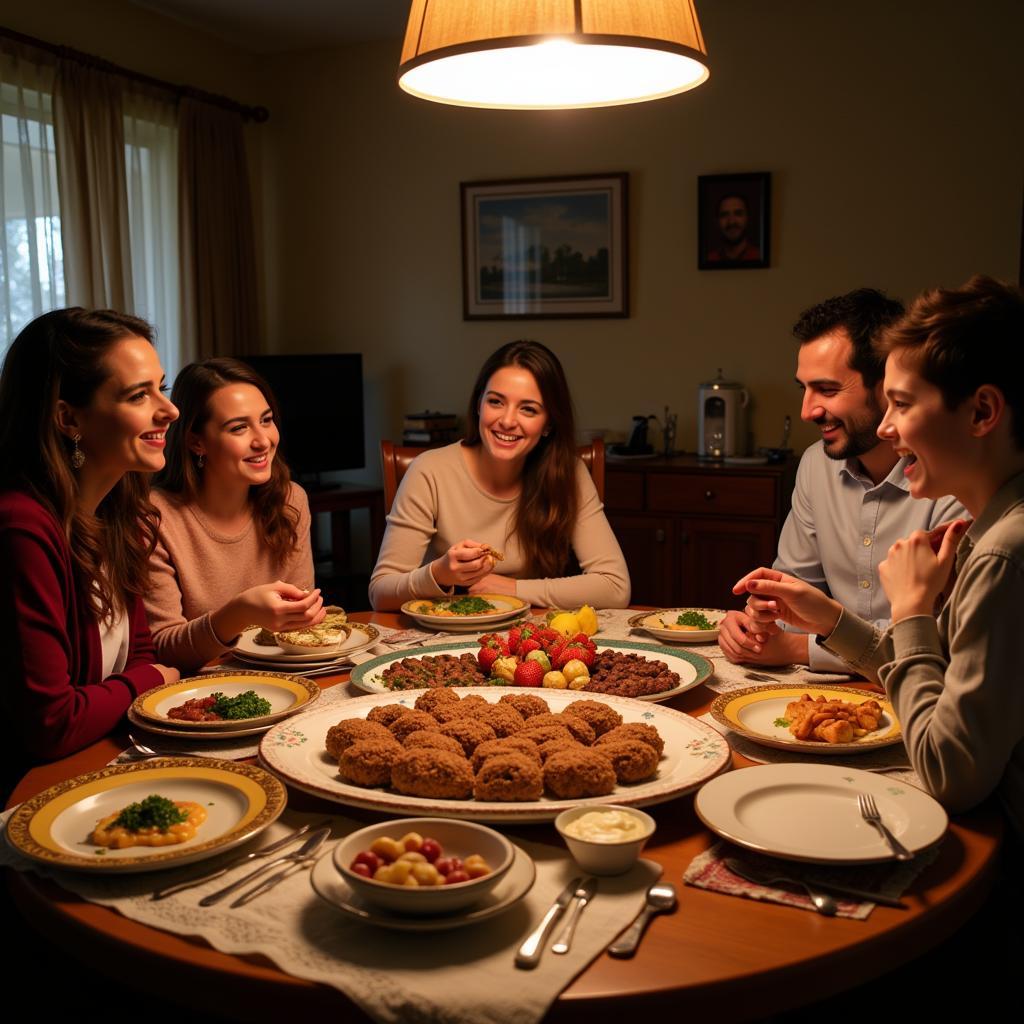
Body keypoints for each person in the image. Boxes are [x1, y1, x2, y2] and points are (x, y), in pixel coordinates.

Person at [735, 275, 1024, 833]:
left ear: (982, 412)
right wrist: (835, 622)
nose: (889, 428)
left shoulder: (1001, 555)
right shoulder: (997, 525)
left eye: (903, 404)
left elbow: (951, 777)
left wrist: (911, 608)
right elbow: (938, 680)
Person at [719, 288, 965, 669]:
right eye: (804, 388)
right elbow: (793, 595)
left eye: (827, 389)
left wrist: (797, 649)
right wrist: (760, 624)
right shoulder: (816, 464)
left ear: (887, 384)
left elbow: (938, 640)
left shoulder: (950, 476)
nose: (806, 411)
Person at [0, 308, 180, 785]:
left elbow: (140, 652)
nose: (170, 410)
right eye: (138, 395)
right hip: (31, 788)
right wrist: (150, 682)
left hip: (101, 758)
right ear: (68, 418)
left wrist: (147, 678)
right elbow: (51, 724)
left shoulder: (120, 515)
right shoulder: (21, 528)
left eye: (160, 388)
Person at [369, 340, 630, 611]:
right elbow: (380, 592)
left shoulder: (569, 474)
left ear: (548, 424)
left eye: (528, 409)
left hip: (532, 637)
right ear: (478, 405)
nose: (507, 420)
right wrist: (438, 574)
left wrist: (512, 589)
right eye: (496, 401)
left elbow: (615, 587)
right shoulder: (429, 471)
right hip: (447, 638)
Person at [146, 358, 323, 674]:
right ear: (195, 441)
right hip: (197, 697)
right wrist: (238, 613)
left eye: (266, 420)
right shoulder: (154, 517)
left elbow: (299, 626)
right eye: (239, 427)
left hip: (283, 677)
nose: (262, 440)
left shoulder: (290, 500)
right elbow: (163, 649)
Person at [706, 193, 761, 263]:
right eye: (724, 215)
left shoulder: (758, 256)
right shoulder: (709, 259)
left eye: (738, 214)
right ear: (716, 222)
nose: (731, 222)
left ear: (748, 218)